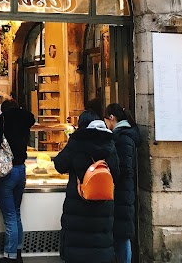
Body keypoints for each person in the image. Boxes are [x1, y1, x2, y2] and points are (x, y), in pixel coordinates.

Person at [53, 110, 120, 263]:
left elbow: (59, 165)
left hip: (78, 205)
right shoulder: (110, 143)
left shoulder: (77, 142)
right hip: (103, 207)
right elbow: (116, 173)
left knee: (78, 248)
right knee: (100, 247)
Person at [0, 99, 35, 263]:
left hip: (6, 172)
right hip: (21, 170)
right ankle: (18, 250)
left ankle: (10, 256)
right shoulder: (26, 120)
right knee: (16, 213)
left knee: (10, 216)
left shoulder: (1, 121)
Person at [104, 103, 141, 263]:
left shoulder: (123, 137)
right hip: (122, 191)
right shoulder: (124, 134)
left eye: (106, 120)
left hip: (122, 192)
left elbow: (125, 168)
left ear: (111, 118)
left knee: (122, 233)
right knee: (120, 232)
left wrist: (111, 172)